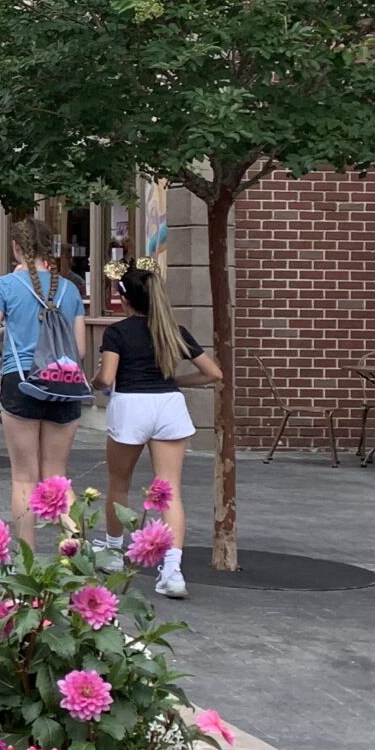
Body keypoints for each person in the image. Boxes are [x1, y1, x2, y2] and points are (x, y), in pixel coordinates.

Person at [98, 256, 224, 599]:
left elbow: (106, 378)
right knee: (169, 490)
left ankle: (112, 550)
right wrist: (177, 379)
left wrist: (94, 380)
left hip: (130, 406)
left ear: (124, 300)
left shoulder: (117, 332)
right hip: (169, 405)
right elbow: (214, 374)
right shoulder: (174, 330)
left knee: (118, 484)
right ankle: (172, 571)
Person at [0, 217, 89, 555]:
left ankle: (26, 554)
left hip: (21, 381)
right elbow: (80, 350)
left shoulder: (6, 286)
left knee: (24, 476)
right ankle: (74, 535)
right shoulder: (70, 288)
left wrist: (4, 334)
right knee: (56, 474)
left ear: (16, 248)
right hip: (63, 384)